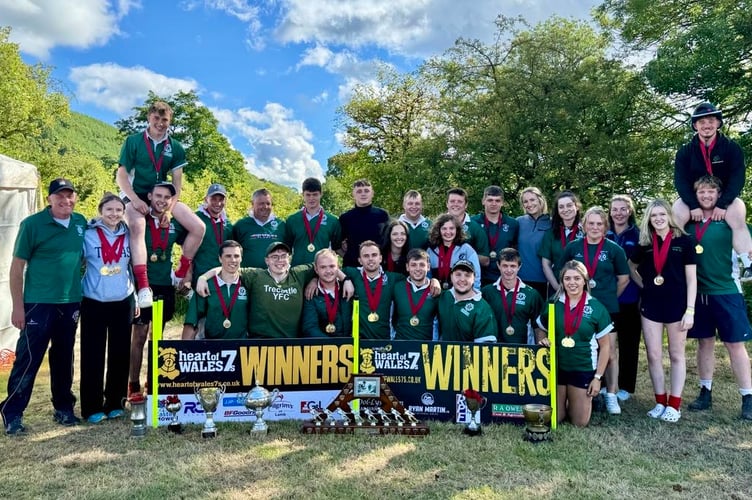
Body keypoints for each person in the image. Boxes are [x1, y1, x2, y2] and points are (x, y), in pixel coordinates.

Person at [1, 179, 87, 435]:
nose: (65, 200)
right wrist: (17, 307)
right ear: (49, 198)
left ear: (75, 198)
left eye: (70, 196)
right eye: (60, 196)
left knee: (63, 357)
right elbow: (16, 269)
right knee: (29, 357)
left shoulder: (81, 222)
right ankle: (13, 412)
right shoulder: (32, 225)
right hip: (38, 302)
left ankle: (63, 408)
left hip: (70, 300)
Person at [116, 100, 205, 308]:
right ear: (149, 118)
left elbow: (177, 183)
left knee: (198, 226)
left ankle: (180, 274)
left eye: (165, 120)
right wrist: (136, 200)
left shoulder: (175, 147)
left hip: (162, 197)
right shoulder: (133, 141)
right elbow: (121, 176)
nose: (160, 123)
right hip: (134, 193)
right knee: (138, 226)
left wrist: (170, 211)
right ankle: (145, 287)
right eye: (156, 118)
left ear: (170, 121)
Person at [684, 175, 752, 420]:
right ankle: (705, 391)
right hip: (699, 294)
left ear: (719, 195)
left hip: (727, 291)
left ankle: (748, 397)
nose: (706, 196)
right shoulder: (689, 222)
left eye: (711, 192)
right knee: (704, 343)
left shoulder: (732, 221)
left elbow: (747, 250)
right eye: (701, 192)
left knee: (735, 345)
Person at [629, 199, 697, 422]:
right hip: (651, 305)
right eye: (653, 215)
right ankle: (660, 401)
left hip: (678, 306)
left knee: (676, 355)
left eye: (661, 214)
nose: (658, 219)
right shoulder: (644, 244)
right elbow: (631, 268)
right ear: (648, 218)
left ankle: (674, 405)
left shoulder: (685, 242)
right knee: (653, 355)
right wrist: (645, 285)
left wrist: (690, 310)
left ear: (669, 216)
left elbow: (692, 279)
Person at [561, 206, 629, 415]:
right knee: (577, 347)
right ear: (583, 225)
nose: (595, 227)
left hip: (607, 308)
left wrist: (606, 299)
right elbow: (563, 274)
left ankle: (611, 394)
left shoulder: (614, 249)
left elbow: (623, 279)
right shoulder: (573, 247)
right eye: (591, 223)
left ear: (605, 226)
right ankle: (579, 390)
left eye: (599, 224)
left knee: (610, 352)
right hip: (575, 307)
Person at [673, 103, 752, 276]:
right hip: (695, 197)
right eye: (702, 122)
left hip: (724, 197)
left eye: (711, 120)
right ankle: (673, 259)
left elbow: (738, 178)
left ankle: (748, 263)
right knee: (676, 214)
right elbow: (680, 181)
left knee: (738, 216)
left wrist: (723, 204)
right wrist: (693, 205)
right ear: (695, 126)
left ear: (718, 123)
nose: (706, 125)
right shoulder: (685, 152)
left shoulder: (732, 148)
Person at [535, 260, 613, 427]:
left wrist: (598, 378)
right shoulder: (553, 303)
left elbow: (606, 347)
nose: (572, 283)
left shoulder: (596, 307)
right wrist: (542, 340)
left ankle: (578, 398)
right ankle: (567, 399)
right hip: (556, 367)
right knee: (555, 418)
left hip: (583, 367)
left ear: (585, 280)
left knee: (579, 422)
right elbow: (540, 327)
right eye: (567, 278)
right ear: (562, 281)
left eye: (577, 278)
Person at [79, 193, 136, 424]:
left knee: (120, 353)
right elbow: (77, 262)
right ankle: (91, 407)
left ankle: (115, 402)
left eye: (118, 210)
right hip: (94, 300)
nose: (114, 214)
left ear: (123, 212)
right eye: (109, 209)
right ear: (100, 210)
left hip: (123, 299)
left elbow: (134, 264)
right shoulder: (88, 234)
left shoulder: (130, 233)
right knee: (92, 354)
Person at [128, 182, 186, 397]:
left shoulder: (174, 223)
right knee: (139, 336)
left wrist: (184, 271)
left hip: (165, 285)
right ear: (150, 195)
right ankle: (133, 383)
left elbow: (191, 239)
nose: (162, 200)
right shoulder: (137, 216)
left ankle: (153, 381)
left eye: (167, 197)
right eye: (158, 195)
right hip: (142, 285)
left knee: (158, 337)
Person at [197, 241, 319, 339]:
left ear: (289, 259)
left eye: (283, 256)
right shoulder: (256, 275)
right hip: (259, 342)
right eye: (274, 257)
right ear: (267, 260)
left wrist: (315, 278)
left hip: (290, 342)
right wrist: (203, 277)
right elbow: (228, 267)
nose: (279, 260)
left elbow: (325, 264)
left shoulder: (299, 274)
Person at [607, 194, 641, 402]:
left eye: (623, 209)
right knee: (606, 345)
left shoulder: (639, 234)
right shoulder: (603, 232)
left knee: (629, 343)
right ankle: (605, 383)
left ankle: (626, 386)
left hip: (630, 297)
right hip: (606, 297)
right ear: (610, 212)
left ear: (630, 211)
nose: (618, 213)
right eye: (615, 209)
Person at [182, 240, 249, 340]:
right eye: (228, 256)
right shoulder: (206, 286)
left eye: (236, 256)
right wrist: (184, 350)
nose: (233, 260)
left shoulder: (248, 283)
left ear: (241, 258)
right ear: (220, 259)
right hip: (213, 348)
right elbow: (192, 321)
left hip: (243, 347)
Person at [481, 248, 543, 345]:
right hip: (493, 350)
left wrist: (540, 348)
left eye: (513, 266)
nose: (509, 270)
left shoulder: (532, 294)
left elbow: (538, 326)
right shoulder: (486, 292)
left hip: (523, 351)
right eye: (505, 266)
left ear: (519, 266)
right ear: (498, 265)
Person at [343, 241, 403, 340]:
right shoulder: (352, 273)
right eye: (366, 256)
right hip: (359, 340)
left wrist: (434, 281)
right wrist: (345, 279)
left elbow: (415, 279)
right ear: (360, 260)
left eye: (374, 255)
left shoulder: (393, 278)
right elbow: (331, 269)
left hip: (386, 340)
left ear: (380, 258)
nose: (370, 259)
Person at [284, 177, 342, 266]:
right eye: (308, 195)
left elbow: (336, 249)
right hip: (297, 271)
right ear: (302, 194)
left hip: (323, 271)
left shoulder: (333, 221)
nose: (311, 198)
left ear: (321, 194)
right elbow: (287, 250)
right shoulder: (292, 220)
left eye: (315, 194)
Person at [437, 260, 496, 343]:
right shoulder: (444, 297)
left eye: (467, 275)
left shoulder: (482, 308)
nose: (462, 279)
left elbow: (485, 348)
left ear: (474, 278)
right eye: (458, 274)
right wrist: (433, 281)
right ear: (451, 276)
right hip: (442, 354)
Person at [471, 185, 519, 286]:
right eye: (490, 200)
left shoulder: (513, 224)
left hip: (504, 277)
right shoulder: (473, 222)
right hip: (478, 276)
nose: (494, 204)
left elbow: (515, 250)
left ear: (502, 203)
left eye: (497, 201)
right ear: (483, 201)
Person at [539, 190, 583, 294]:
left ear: (576, 207)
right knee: (551, 310)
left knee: (576, 310)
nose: (565, 209)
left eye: (569, 205)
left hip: (579, 288)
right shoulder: (551, 233)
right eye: (561, 207)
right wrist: (556, 287)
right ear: (558, 211)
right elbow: (546, 264)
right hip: (555, 288)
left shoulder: (586, 232)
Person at [301, 249, 353, 337]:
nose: (328, 271)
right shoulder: (310, 293)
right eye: (323, 267)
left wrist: (346, 279)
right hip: (325, 348)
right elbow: (309, 328)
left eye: (332, 266)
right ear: (316, 270)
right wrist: (332, 346)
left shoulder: (349, 287)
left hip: (351, 346)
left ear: (338, 268)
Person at [339, 179, 390, 267]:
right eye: (359, 191)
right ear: (353, 194)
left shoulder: (382, 215)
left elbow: (390, 241)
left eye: (366, 191)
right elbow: (337, 245)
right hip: (352, 268)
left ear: (372, 193)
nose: (363, 194)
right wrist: (349, 257)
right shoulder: (345, 218)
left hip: (379, 269)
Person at [190, 183, 233, 285]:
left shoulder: (228, 224)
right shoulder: (195, 218)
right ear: (206, 199)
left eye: (221, 199)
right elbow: (185, 248)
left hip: (222, 277)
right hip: (200, 276)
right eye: (214, 199)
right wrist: (187, 273)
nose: (218, 203)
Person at [392, 249, 439, 340]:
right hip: (400, 345)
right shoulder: (397, 287)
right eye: (413, 265)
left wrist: (435, 280)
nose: (418, 269)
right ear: (407, 267)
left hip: (426, 347)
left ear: (428, 267)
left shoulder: (436, 290)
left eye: (422, 265)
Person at [232, 188, 286, 268]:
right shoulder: (241, 225)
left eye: (268, 203)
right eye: (261, 203)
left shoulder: (281, 225)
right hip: (248, 276)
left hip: (275, 277)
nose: (265, 207)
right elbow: (232, 251)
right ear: (252, 204)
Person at [427, 213, 481, 290]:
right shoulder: (431, 250)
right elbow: (427, 276)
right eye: (444, 228)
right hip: (436, 294)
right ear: (438, 230)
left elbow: (476, 275)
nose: (448, 232)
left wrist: (475, 292)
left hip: (460, 294)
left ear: (457, 230)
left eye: (451, 228)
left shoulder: (467, 249)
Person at [516, 187, 551, 300]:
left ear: (540, 200)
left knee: (549, 315)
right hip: (520, 280)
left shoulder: (552, 224)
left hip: (546, 283)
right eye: (525, 201)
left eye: (532, 200)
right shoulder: (518, 222)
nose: (529, 204)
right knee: (522, 315)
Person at [445, 187, 489, 264]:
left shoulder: (475, 228)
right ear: (447, 204)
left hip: (465, 274)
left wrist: (463, 256)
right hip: (439, 274)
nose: (456, 204)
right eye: (452, 201)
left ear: (466, 205)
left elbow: (485, 260)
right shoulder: (437, 225)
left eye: (460, 201)